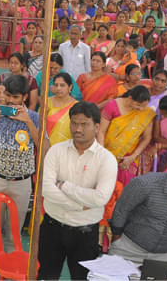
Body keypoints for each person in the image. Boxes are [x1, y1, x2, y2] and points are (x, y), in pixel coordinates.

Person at [38, 102, 118, 280]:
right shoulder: (56, 151)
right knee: (45, 276)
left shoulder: (106, 159)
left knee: (81, 278)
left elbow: (100, 198)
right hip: (52, 227)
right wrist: (78, 205)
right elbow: (46, 187)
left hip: (86, 233)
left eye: (84, 124)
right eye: (74, 123)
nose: (78, 129)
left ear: (97, 127)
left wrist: (65, 186)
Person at [0, 75, 40, 275]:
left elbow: (44, 149)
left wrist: (28, 121)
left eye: (16, 97)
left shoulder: (35, 118)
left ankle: (10, 272)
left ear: (25, 97)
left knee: (14, 234)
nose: (10, 101)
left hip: (21, 184)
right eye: (8, 96)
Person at [98, 85, 155, 186]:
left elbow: (147, 138)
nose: (141, 109)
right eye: (138, 105)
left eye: (144, 106)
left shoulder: (147, 112)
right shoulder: (113, 105)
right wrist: (102, 154)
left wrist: (133, 156)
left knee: (124, 187)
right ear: (130, 98)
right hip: (107, 152)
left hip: (130, 156)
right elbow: (101, 131)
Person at [46, 73, 78, 145]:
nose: (58, 88)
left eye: (62, 85)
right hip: (47, 147)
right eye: (56, 85)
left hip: (68, 148)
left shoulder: (76, 106)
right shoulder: (47, 103)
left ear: (70, 87)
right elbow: (40, 125)